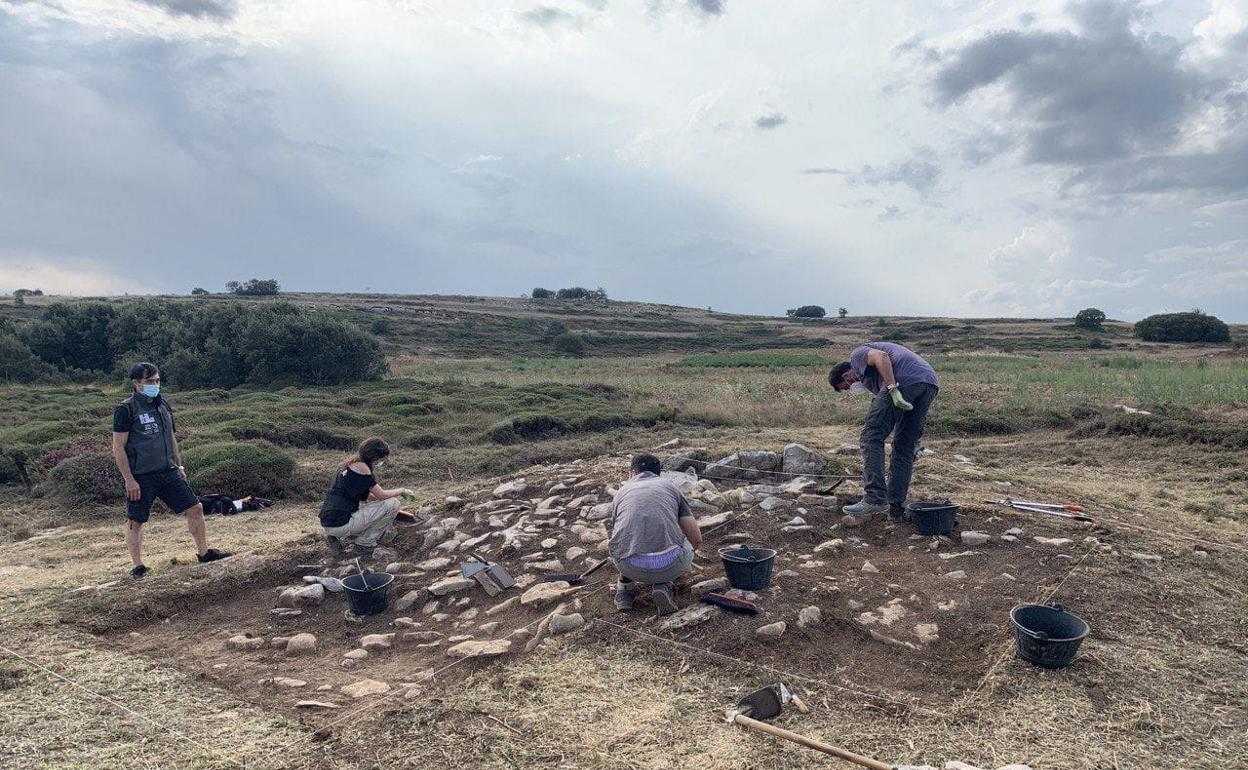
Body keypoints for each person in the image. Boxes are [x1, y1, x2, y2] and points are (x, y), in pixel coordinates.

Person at [111, 362, 231, 578]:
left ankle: (204, 553)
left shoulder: (163, 405)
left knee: (195, 508)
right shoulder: (126, 409)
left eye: (157, 380)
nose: (154, 385)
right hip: (141, 475)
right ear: (136, 383)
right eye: (149, 381)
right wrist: (129, 479)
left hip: (168, 471)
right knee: (135, 521)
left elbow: (171, 437)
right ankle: (138, 567)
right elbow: (118, 446)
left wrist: (179, 464)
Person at [828, 341, 939, 521]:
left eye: (847, 384)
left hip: (905, 380)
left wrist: (893, 389)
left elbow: (882, 356)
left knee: (871, 435)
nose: (851, 387)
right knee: (904, 445)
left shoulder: (856, 356)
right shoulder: (872, 380)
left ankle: (874, 498)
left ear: (846, 373)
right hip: (929, 383)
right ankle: (896, 508)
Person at [607, 453, 702, 615]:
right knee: (681, 540)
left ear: (632, 473)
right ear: (658, 473)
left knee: (624, 540)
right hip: (669, 566)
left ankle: (624, 590)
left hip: (630, 567)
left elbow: (619, 536)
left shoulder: (621, 493)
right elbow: (696, 539)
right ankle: (663, 584)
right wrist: (687, 546)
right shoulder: (670, 487)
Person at [319, 438, 410, 558]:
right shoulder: (363, 468)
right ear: (375, 456)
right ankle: (365, 543)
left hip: (328, 522)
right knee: (393, 503)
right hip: (341, 524)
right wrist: (401, 491)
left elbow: (368, 497)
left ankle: (337, 536)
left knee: (376, 505)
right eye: (381, 458)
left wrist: (380, 504)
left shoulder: (349, 466)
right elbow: (381, 494)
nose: (381, 461)